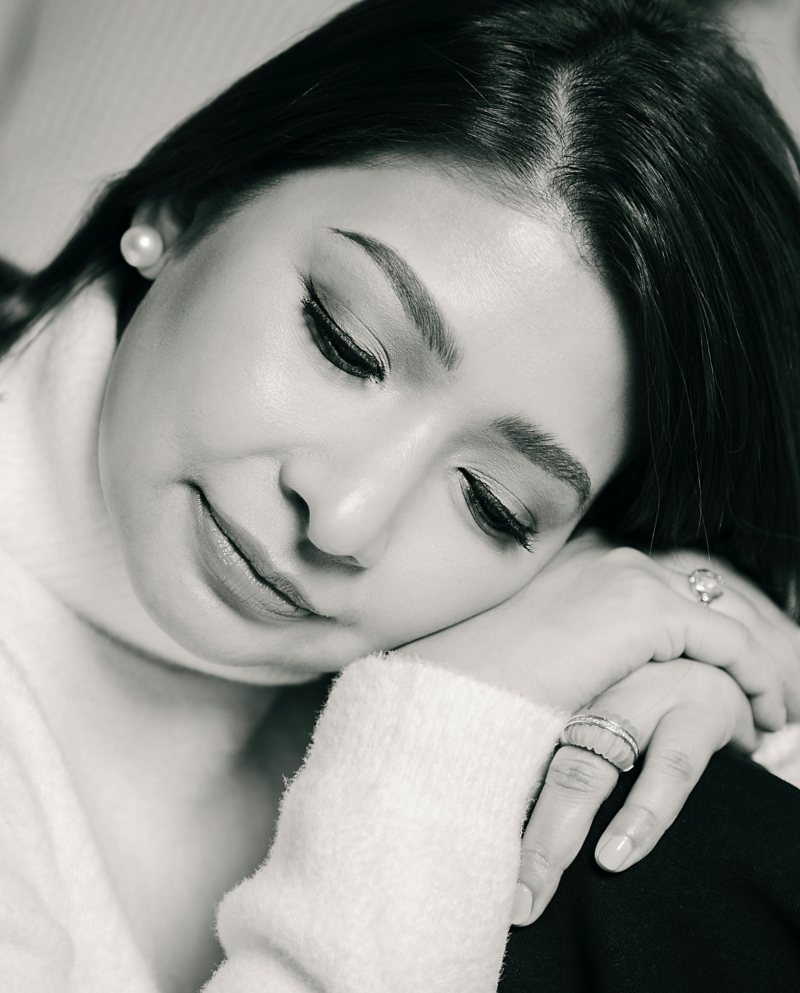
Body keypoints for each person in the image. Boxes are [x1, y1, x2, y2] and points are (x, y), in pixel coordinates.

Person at [0, 0, 799, 990]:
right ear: (184, 203)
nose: (345, 518)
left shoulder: (522, 634)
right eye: (344, 345)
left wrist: (689, 682)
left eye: (494, 504)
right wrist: (436, 743)